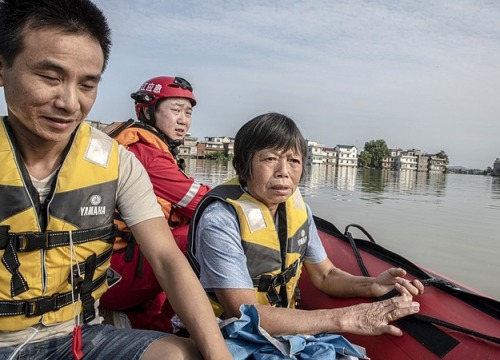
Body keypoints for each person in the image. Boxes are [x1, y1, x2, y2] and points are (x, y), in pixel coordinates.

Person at [0, 1, 231, 359]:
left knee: (186, 354)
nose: (68, 102)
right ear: (3, 68)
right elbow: (199, 203)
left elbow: (168, 260)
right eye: (50, 77)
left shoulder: (116, 160)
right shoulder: (145, 149)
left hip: (77, 335)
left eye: (87, 84)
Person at [188, 112, 425, 358]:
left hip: (287, 333)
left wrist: (372, 285)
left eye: (294, 161)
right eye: (269, 158)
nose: (283, 172)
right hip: (230, 335)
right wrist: (345, 318)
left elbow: (326, 275)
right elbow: (242, 313)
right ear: (243, 166)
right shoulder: (221, 219)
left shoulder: (299, 211)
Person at [99, 76, 211, 333]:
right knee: (203, 230)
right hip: (112, 276)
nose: (183, 119)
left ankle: (156, 322)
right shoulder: (144, 152)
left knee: (172, 235)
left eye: (188, 112)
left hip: (118, 264)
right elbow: (203, 204)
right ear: (147, 111)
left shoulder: (146, 146)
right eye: (175, 110)